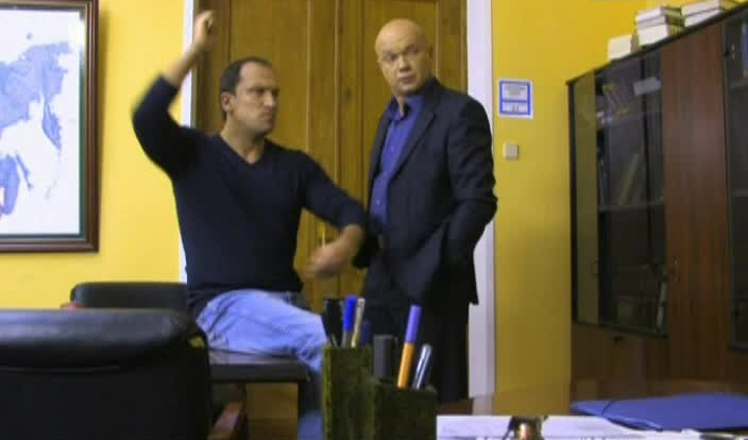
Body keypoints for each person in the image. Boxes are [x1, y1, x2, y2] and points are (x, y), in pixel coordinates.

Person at [131, 11, 365, 440]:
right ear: (228, 102)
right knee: (329, 340)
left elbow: (350, 212)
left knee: (346, 346)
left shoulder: (294, 167)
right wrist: (196, 50)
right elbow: (146, 116)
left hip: (288, 304)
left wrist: (345, 246)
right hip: (221, 309)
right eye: (258, 92)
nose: (271, 102)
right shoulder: (192, 154)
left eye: (275, 93)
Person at [354, 18, 497, 403]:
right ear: (380, 66)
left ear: (429, 54)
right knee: (378, 394)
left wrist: (434, 265)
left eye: (411, 52)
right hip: (381, 275)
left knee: (432, 402)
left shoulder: (460, 112)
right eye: (391, 57)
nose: (402, 64)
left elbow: (478, 201)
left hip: (432, 283)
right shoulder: (388, 119)